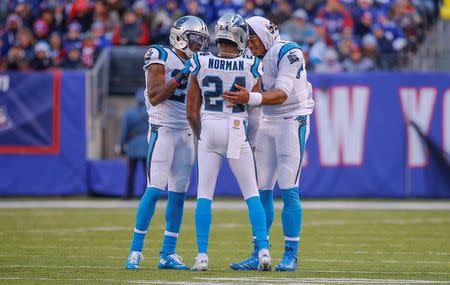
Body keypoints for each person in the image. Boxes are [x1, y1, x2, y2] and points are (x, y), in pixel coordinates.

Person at [223, 16, 314, 272]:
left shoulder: (289, 51)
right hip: (267, 121)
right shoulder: (254, 57)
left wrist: (249, 97)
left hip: (292, 119)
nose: (248, 45)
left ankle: (291, 254)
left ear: (264, 35)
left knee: (288, 187)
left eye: (250, 39)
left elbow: (282, 93)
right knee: (261, 188)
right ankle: (259, 250)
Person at [186, 13, 271, 272]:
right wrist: (251, 139)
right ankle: (264, 250)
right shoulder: (251, 65)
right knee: (251, 194)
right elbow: (256, 108)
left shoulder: (200, 61)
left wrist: (202, 137)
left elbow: (191, 111)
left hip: (210, 125)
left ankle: (202, 256)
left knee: (204, 195)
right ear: (241, 37)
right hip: (237, 127)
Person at [125, 15, 209, 271]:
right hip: (162, 129)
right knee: (154, 187)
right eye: (195, 39)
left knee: (179, 194)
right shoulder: (159, 54)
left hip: (185, 132)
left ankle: (167, 253)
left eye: (202, 41)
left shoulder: (199, 62)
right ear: (180, 36)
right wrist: (180, 76)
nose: (199, 46)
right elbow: (155, 96)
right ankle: (135, 251)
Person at [118, 88, 148, 200]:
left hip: (133, 145)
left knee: (131, 172)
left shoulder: (129, 114)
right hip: (147, 144)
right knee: (148, 174)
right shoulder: (151, 113)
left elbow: (124, 132)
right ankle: (146, 195)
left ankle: (128, 194)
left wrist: (121, 145)